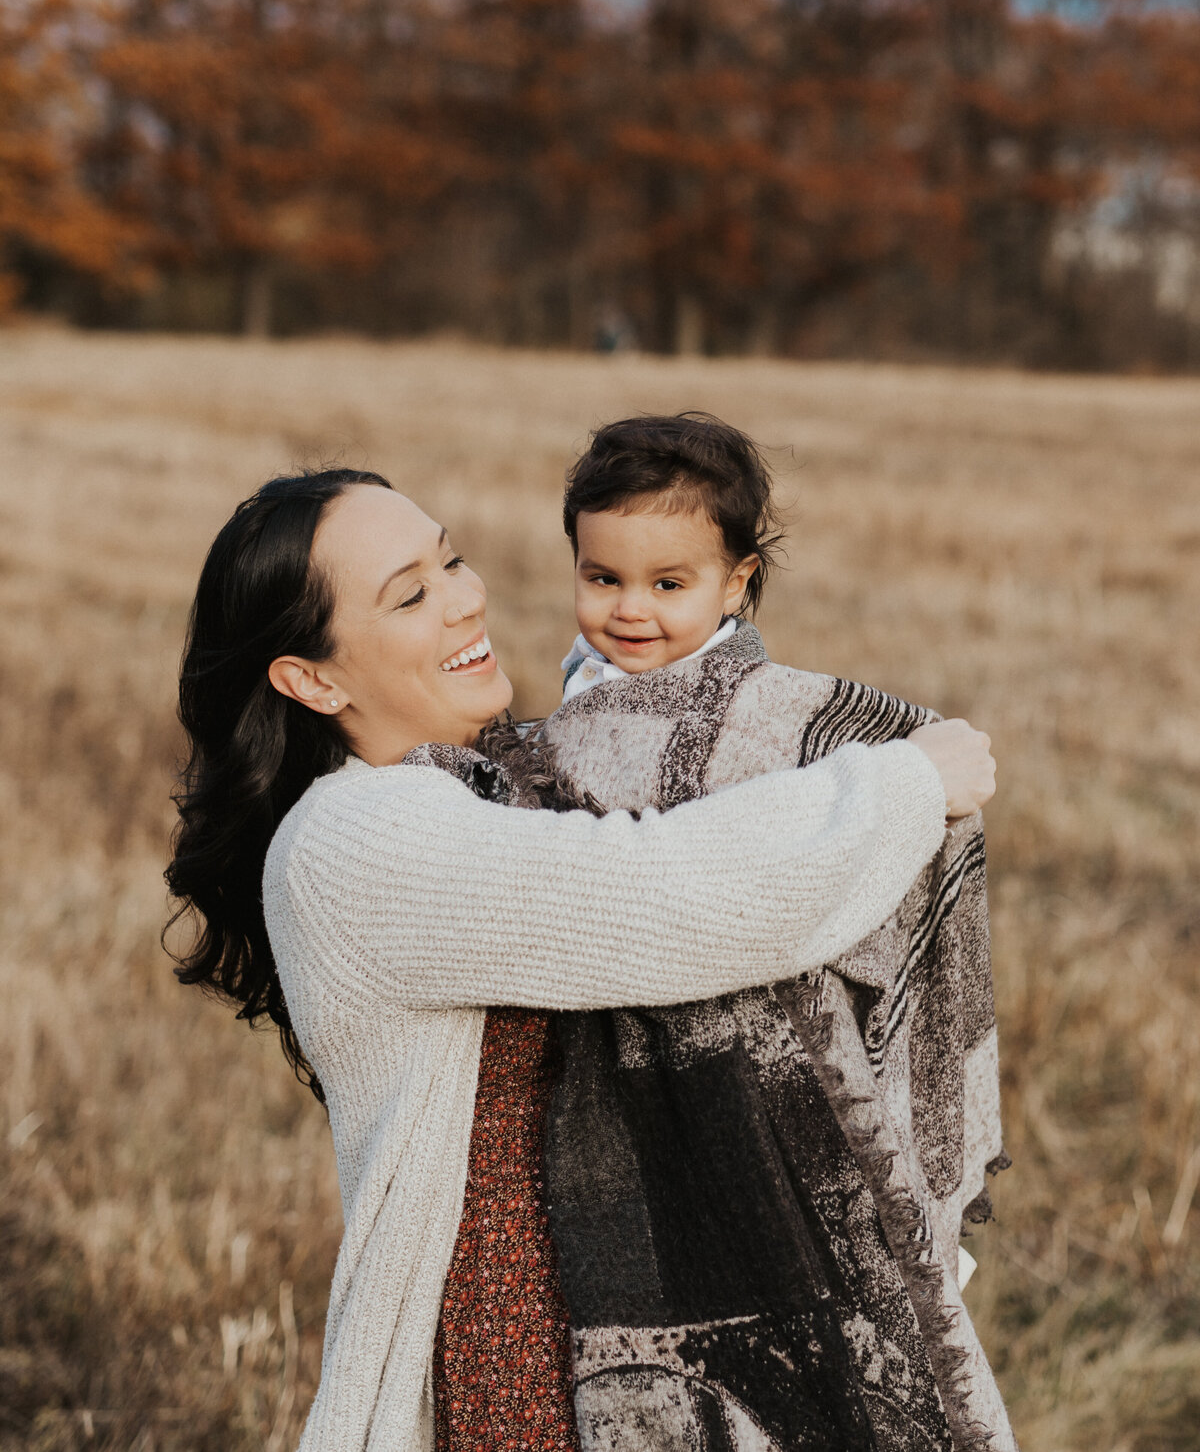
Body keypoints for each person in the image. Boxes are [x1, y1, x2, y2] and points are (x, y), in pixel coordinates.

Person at [165, 466, 996, 1452]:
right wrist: (897, 783)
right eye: (411, 592)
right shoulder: (346, 842)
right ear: (313, 677)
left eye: (451, 558)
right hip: (526, 1360)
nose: (466, 595)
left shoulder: (516, 778)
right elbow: (659, 894)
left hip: (673, 1334)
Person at [542, 412, 1016, 1451]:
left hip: (782, 1089)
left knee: (828, 1372)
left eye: (669, 583)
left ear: (738, 581)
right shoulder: (562, 719)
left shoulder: (784, 718)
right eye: (602, 576)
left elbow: (920, 797)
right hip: (616, 1099)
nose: (629, 609)